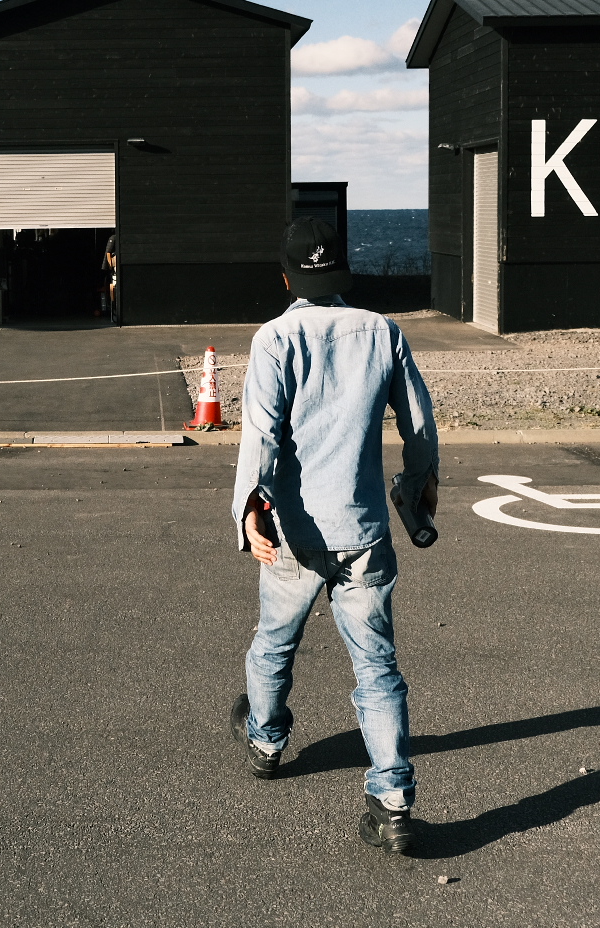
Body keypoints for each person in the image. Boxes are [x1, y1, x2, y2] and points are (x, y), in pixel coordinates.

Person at [229, 216, 439, 855]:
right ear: (341, 274)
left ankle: (266, 740)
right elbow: (420, 430)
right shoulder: (383, 332)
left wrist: (249, 509)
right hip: (366, 531)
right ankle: (392, 798)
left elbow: (262, 439)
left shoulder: (273, 341)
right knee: (377, 666)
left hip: (296, 531)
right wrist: (419, 489)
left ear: (287, 275)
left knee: (274, 643)